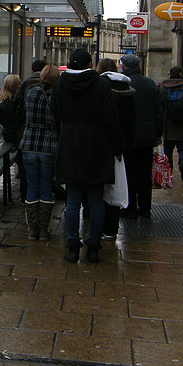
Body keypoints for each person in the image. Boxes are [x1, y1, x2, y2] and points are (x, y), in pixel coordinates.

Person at [50, 49, 124, 263]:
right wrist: (117, 147)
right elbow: (112, 118)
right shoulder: (101, 84)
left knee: (73, 200)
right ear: (90, 63)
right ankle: (93, 247)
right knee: (96, 200)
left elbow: (55, 111)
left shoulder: (62, 85)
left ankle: (73, 247)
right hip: (97, 146)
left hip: (71, 144)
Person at [119, 54, 164, 219]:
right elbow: (159, 112)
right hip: (147, 136)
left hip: (129, 137)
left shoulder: (123, 84)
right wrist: (157, 134)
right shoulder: (150, 84)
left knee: (129, 173)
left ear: (123, 67)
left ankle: (130, 207)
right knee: (145, 174)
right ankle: (145, 208)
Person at [96, 58, 137, 240]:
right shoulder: (128, 89)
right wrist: (124, 144)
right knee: (114, 187)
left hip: (100, 144)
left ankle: (97, 226)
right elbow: (131, 121)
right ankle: (111, 229)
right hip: (121, 147)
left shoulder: (99, 86)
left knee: (98, 187)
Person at [19, 65, 61, 239]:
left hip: (29, 144)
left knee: (32, 186)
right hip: (49, 146)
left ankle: (31, 229)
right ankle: (43, 229)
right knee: (46, 187)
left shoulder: (30, 92)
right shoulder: (57, 96)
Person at [0, 74, 27, 205]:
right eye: (18, 84)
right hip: (14, 139)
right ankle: (24, 196)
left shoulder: (6, 101)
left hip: (12, 138)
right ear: (14, 86)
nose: (20, 86)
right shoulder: (10, 103)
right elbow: (11, 124)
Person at [159, 66, 183, 183]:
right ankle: (182, 162)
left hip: (169, 126)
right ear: (181, 73)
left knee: (168, 150)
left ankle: (169, 172)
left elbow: (160, 107)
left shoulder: (163, 88)